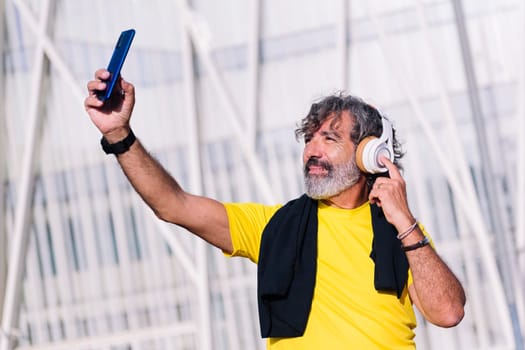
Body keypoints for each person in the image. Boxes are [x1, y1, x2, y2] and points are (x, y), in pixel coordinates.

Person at [85, 69, 466, 349]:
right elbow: (173, 204)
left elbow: (448, 312)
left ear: (369, 154)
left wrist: (405, 222)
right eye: (309, 139)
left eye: (329, 138)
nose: (311, 150)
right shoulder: (274, 227)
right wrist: (119, 134)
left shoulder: (400, 232)